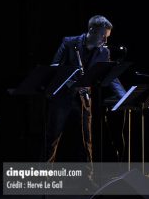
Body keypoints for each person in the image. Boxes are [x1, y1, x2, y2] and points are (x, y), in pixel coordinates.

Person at [45, 15, 126, 185]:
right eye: (103, 36)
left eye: (107, 37)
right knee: (53, 137)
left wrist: (123, 97)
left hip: (84, 98)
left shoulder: (104, 51)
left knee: (86, 140)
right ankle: (45, 178)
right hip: (63, 97)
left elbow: (110, 77)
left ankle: (87, 181)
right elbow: (55, 68)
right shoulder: (69, 43)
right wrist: (72, 84)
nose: (105, 40)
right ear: (91, 31)